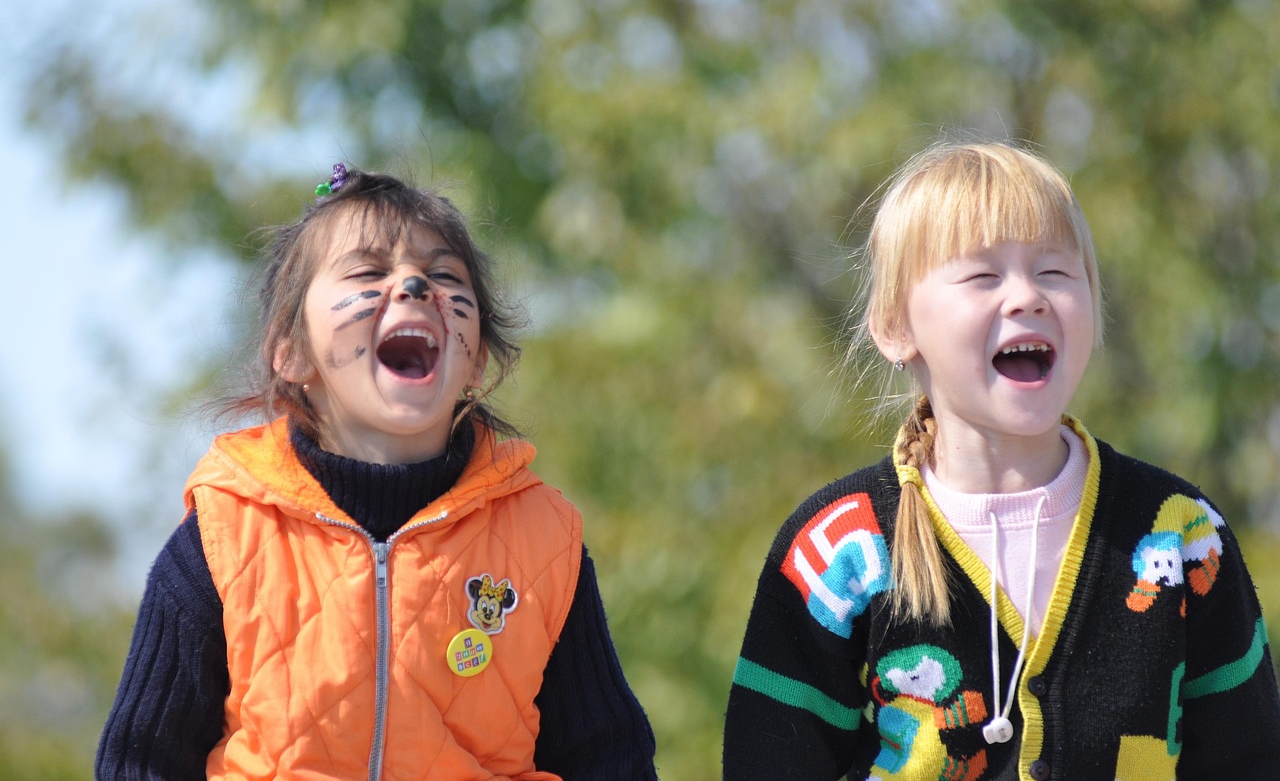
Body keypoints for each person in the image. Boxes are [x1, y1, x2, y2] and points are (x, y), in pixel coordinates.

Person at [723, 140, 1280, 780]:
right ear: (896, 327)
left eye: (1055, 272)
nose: (1027, 297)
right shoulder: (838, 548)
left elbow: (1251, 759)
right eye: (983, 276)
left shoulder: (1182, 534)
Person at [97, 164, 658, 780]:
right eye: (367, 272)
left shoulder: (544, 542)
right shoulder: (226, 532)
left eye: (445, 276)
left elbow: (610, 759)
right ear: (292, 352)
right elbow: (139, 761)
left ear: (477, 360)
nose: (414, 285)